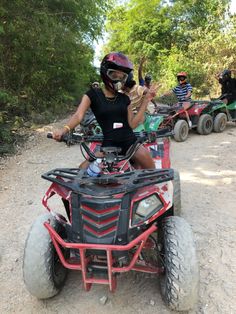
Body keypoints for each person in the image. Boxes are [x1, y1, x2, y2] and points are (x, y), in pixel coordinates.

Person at [53, 52, 157, 169]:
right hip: (108, 146)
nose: (118, 80)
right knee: (80, 172)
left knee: (151, 171)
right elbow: (78, 115)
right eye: (114, 75)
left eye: (122, 77)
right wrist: (64, 130)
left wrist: (146, 100)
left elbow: (132, 124)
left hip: (130, 143)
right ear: (105, 73)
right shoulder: (92, 95)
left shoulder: (124, 98)